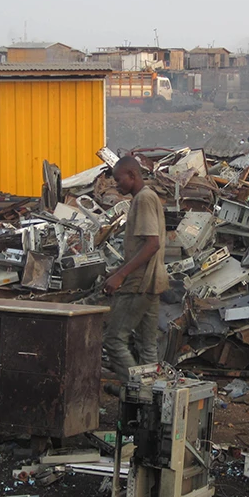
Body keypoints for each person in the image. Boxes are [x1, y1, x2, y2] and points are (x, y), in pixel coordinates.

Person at [102, 156, 168, 386]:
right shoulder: (146, 198)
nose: (117, 185)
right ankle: (153, 399)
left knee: (114, 339)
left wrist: (121, 275)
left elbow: (152, 244)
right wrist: (117, 271)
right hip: (153, 283)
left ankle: (137, 391)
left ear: (132, 175)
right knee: (147, 345)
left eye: (119, 180)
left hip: (140, 283)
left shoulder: (144, 199)